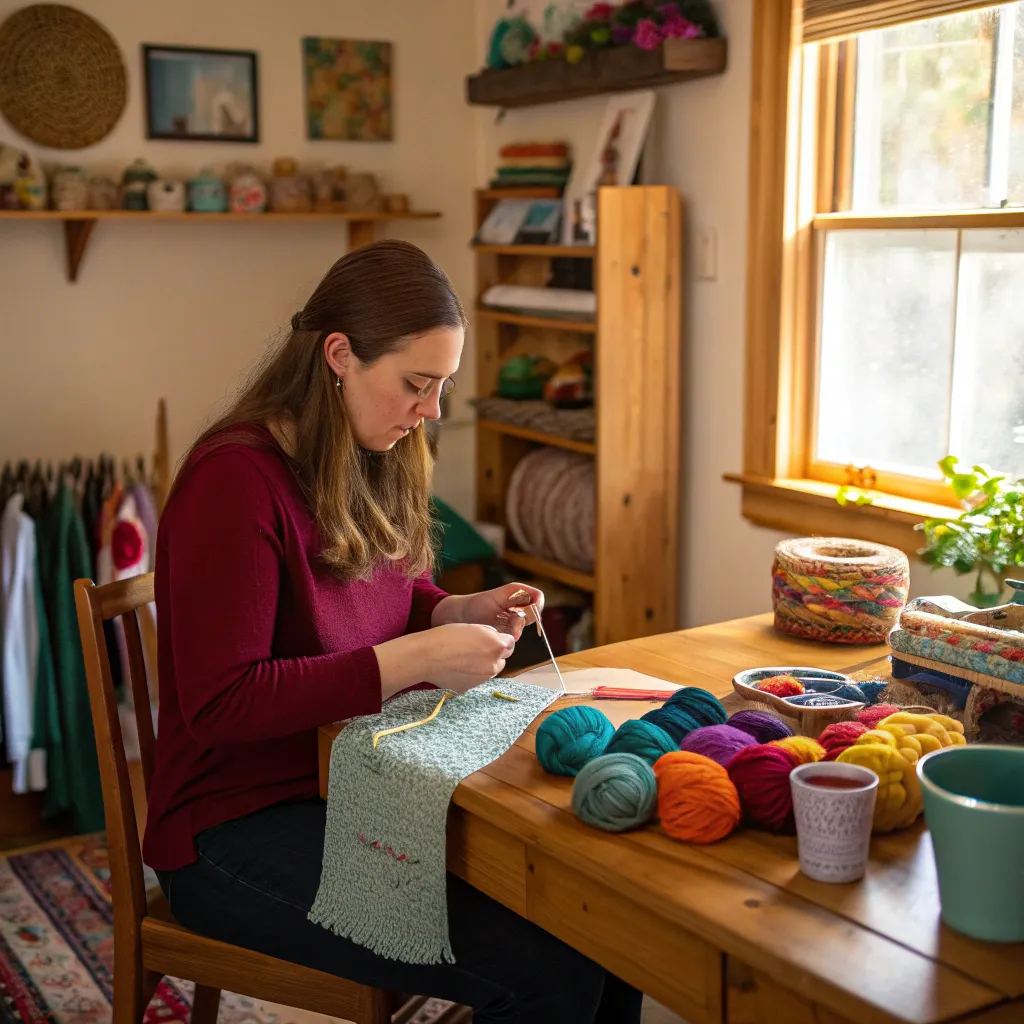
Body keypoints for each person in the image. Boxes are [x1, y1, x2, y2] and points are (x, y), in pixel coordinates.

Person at [143, 240, 642, 1024]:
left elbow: (383, 594)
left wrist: (450, 611)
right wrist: (412, 658)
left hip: (347, 781)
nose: (432, 411)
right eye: (417, 384)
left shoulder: (369, 450)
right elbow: (221, 703)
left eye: (442, 386)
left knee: (606, 931)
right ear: (339, 355)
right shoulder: (232, 483)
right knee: (552, 971)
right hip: (228, 828)